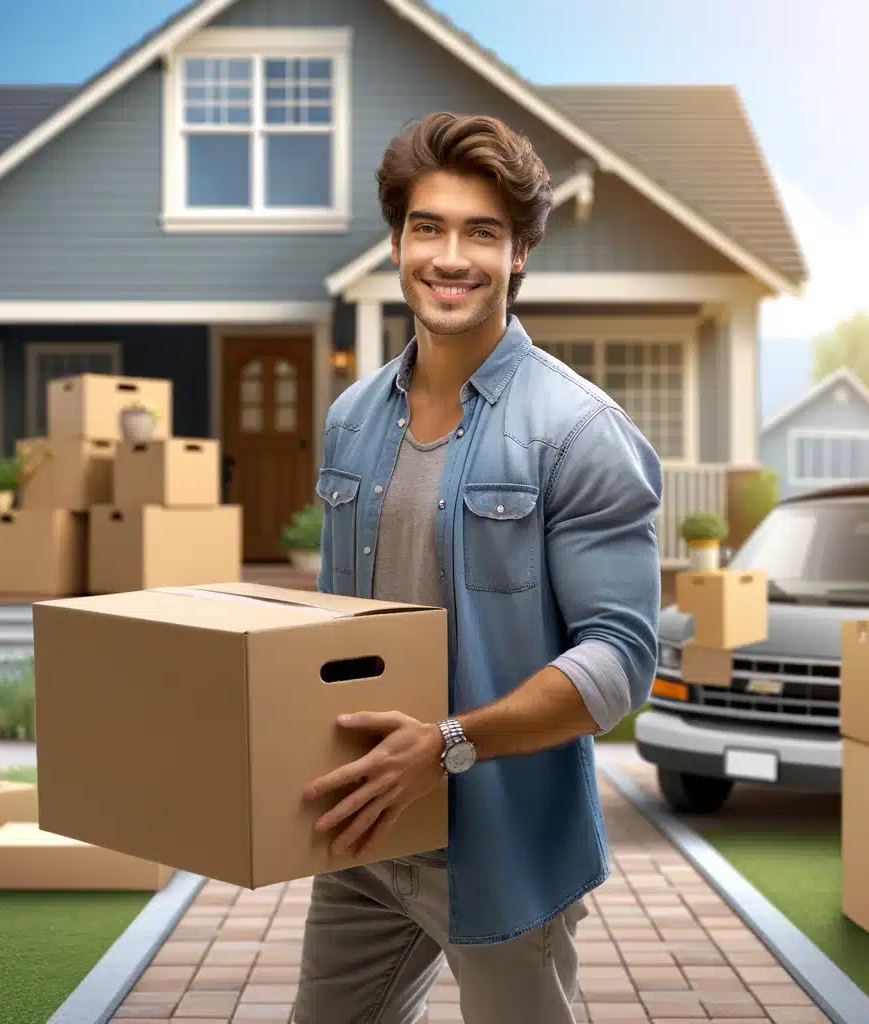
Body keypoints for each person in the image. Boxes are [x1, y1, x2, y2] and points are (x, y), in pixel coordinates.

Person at [294, 111, 662, 1024]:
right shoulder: (351, 420)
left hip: (501, 848)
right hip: (368, 835)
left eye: (482, 232)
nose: (450, 257)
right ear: (396, 241)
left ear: (519, 254)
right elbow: (338, 629)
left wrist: (448, 744)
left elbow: (621, 660)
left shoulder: (579, 433)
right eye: (430, 227)